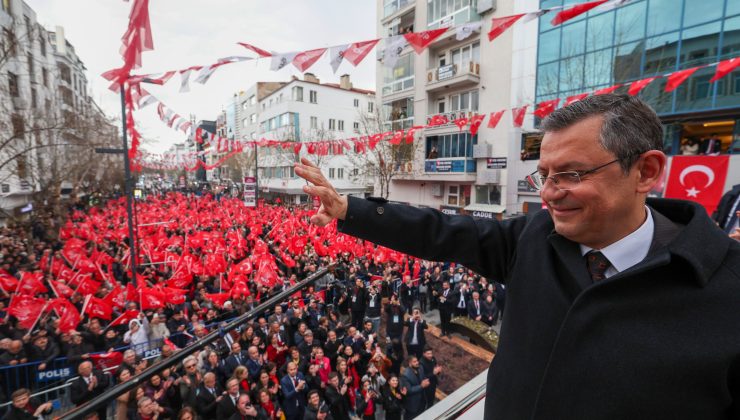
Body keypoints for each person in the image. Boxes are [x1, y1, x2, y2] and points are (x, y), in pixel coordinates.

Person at [295, 93, 740, 419]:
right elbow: (441, 232)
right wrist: (349, 209)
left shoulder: (726, 290)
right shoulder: (534, 236)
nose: (547, 193)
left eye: (570, 174)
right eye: (544, 174)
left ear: (645, 171)